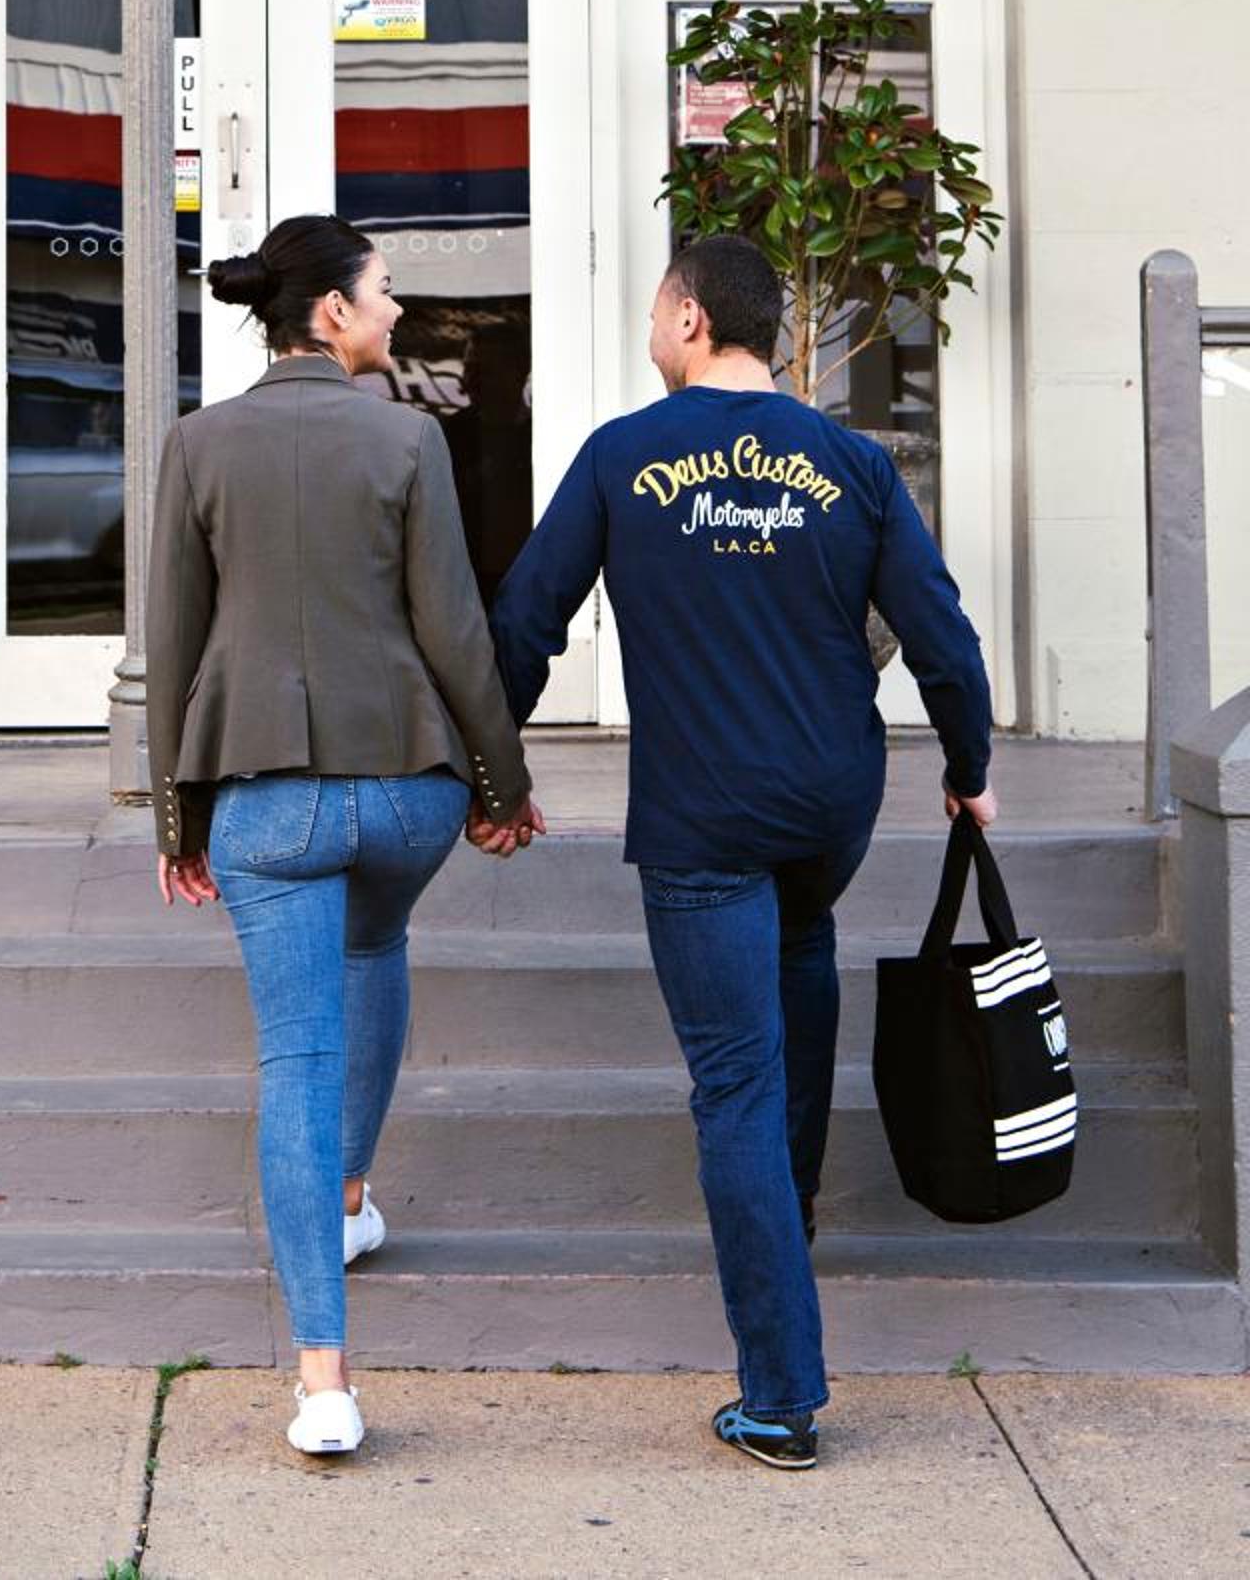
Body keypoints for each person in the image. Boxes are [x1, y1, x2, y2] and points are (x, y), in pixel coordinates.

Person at [487, 233, 995, 1474]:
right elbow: (939, 633)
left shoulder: (621, 456)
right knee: (797, 963)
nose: (646, 333)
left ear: (689, 319)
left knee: (733, 1086)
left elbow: (525, 620)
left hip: (703, 816)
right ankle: (790, 1220)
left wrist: (494, 775)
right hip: (826, 808)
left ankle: (777, 1392)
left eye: (651, 312)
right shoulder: (851, 464)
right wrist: (967, 765)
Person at [149, 212, 545, 1458]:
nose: (395, 310)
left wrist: (176, 814)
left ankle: (322, 1381)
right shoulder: (408, 440)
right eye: (382, 291)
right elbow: (455, 632)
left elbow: (172, 644)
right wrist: (499, 783)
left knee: (295, 1062)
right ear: (329, 312)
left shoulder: (196, 444)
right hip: (407, 794)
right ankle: (352, 1197)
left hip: (265, 801)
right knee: (372, 947)